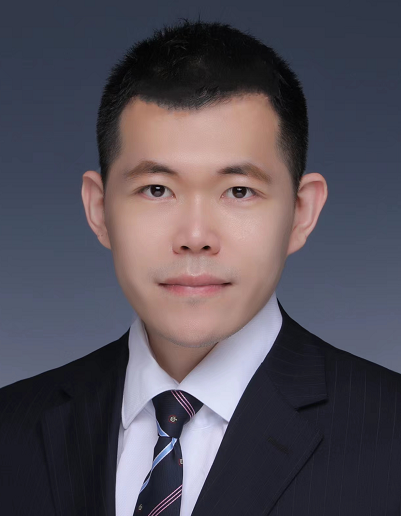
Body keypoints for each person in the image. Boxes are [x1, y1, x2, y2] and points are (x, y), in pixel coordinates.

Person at [1, 17, 400, 516]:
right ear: (99, 210)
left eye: (239, 191)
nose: (194, 237)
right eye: (156, 189)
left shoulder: (390, 437)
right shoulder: (12, 429)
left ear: (301, 213)